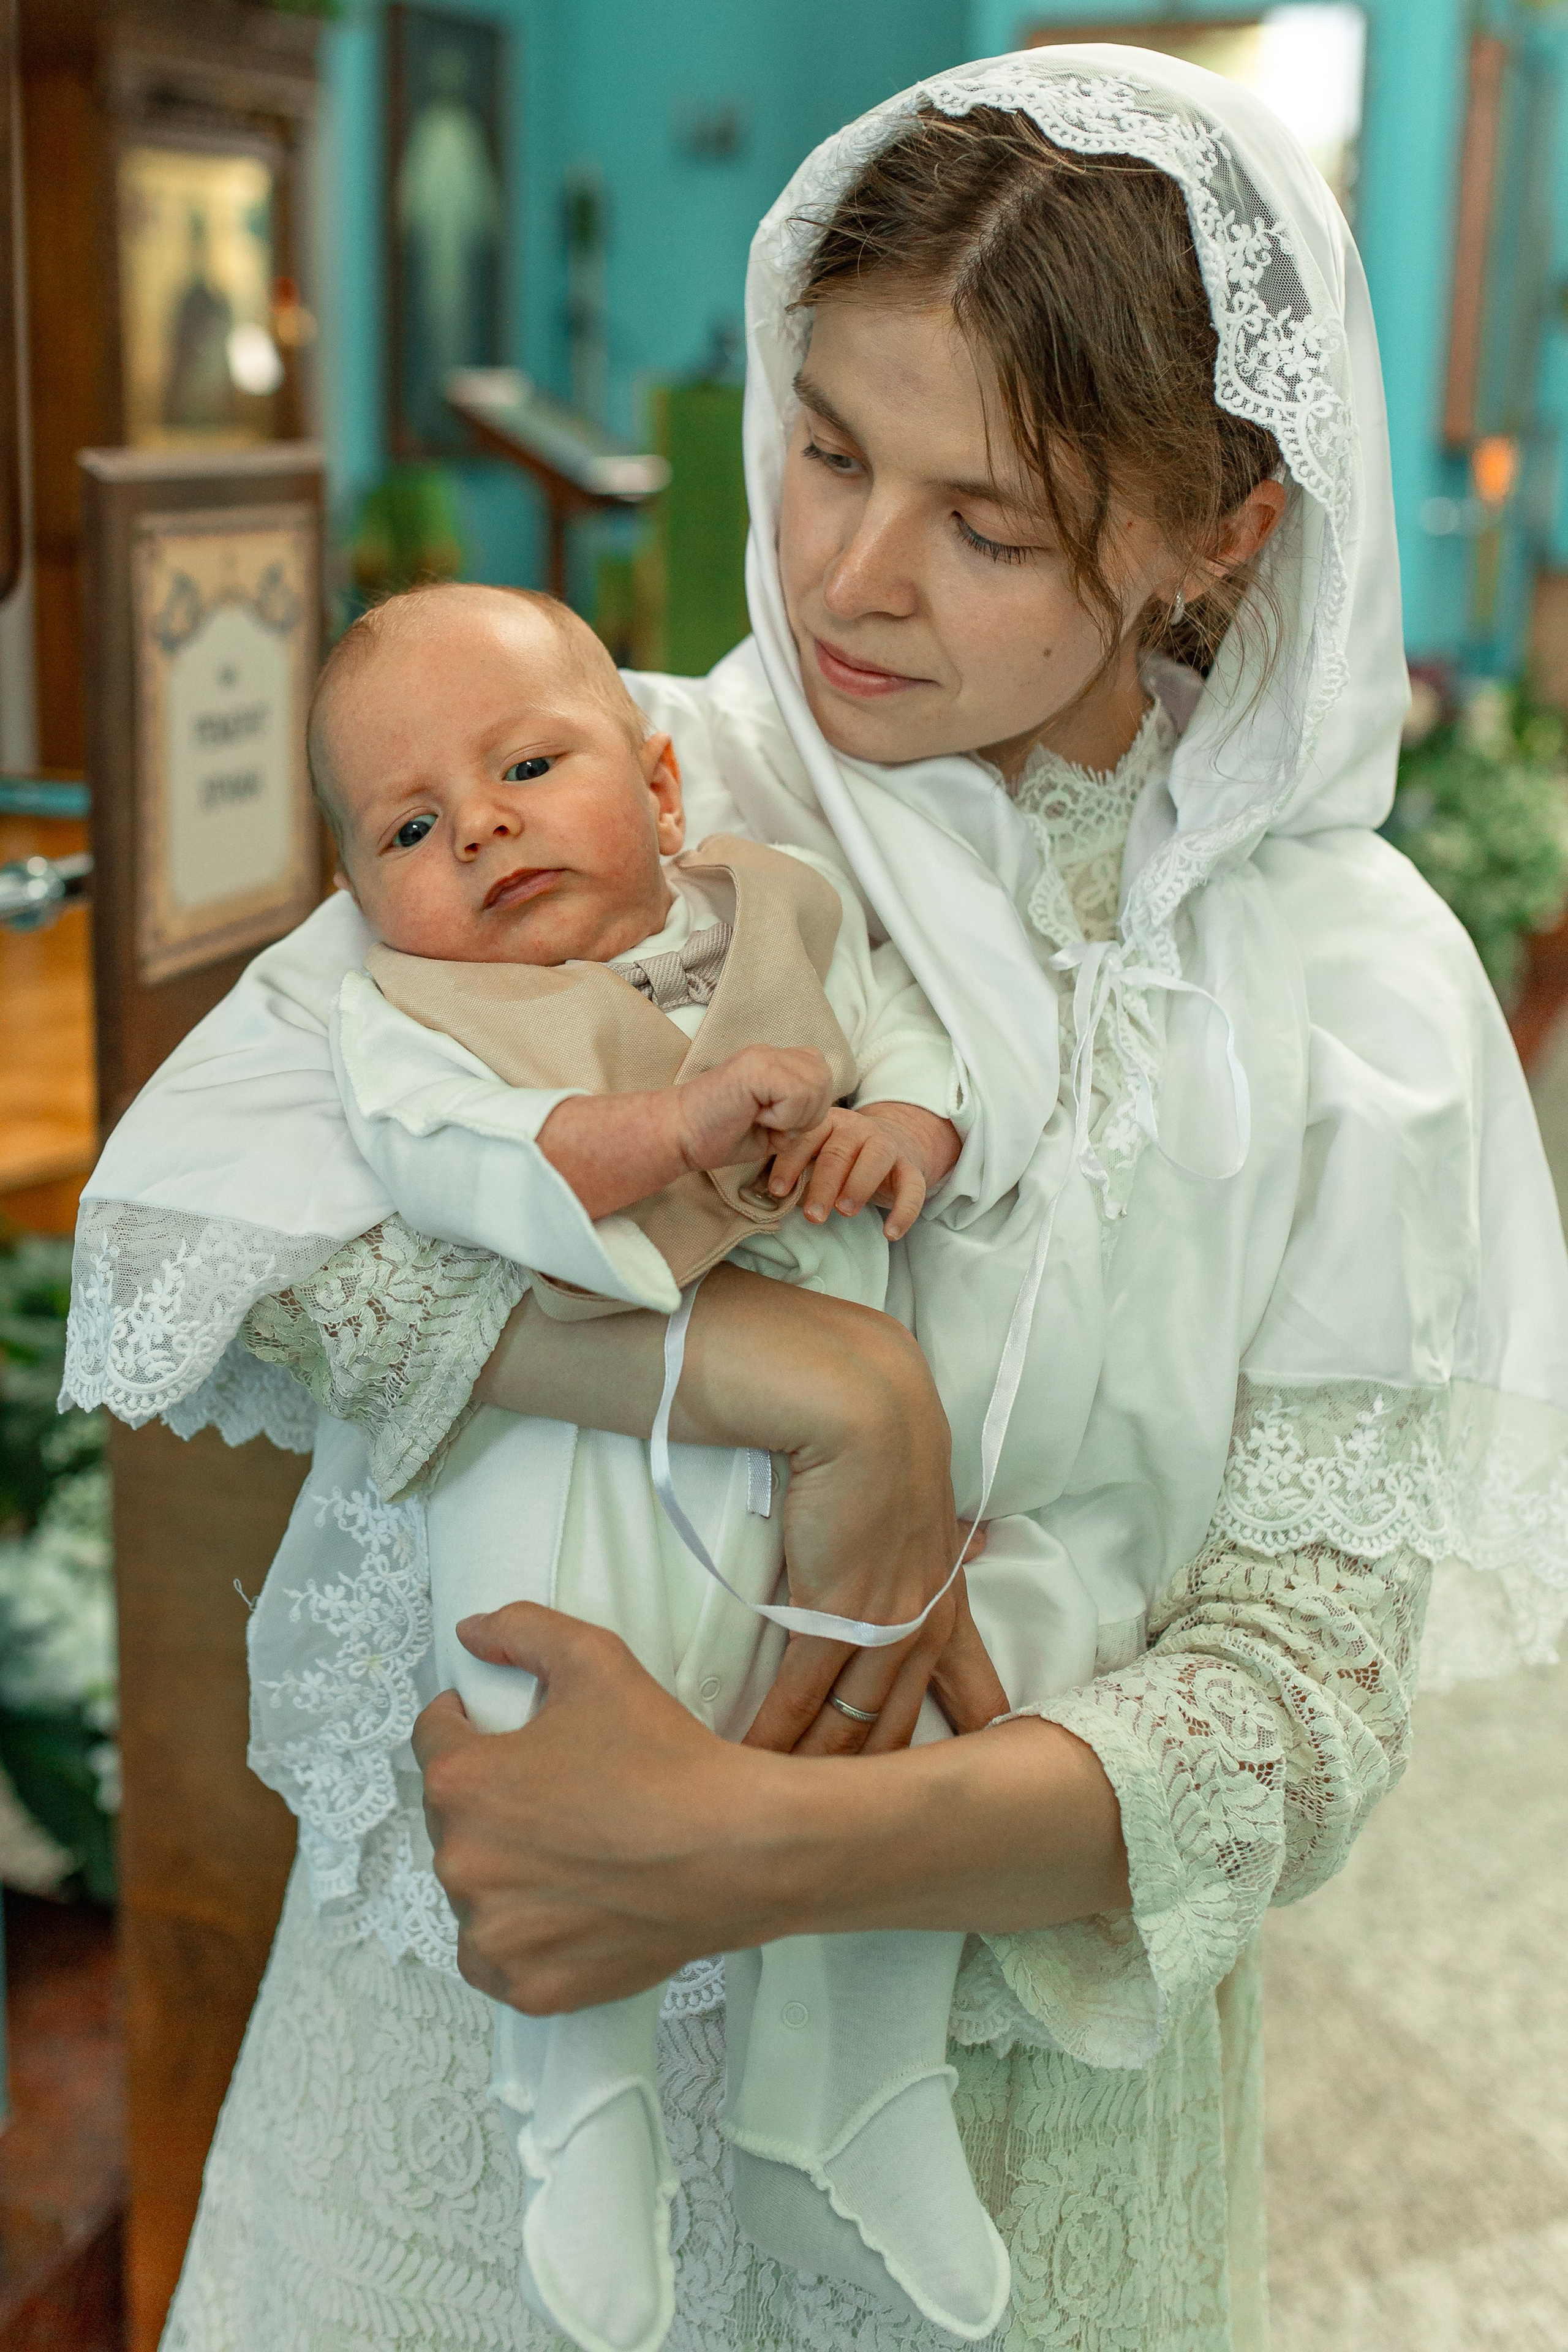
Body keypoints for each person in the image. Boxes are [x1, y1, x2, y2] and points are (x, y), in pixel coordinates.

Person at [62, 47, 1568, 2352]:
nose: (849, 576)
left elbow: (1301, 1705)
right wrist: (822, 1389)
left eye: (989, 521)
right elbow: (230, 1234)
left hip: (1002, 2128)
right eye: (830, 447)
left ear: (1221, 531)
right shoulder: (618, 787)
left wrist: (729, 1854)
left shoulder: (1349, 995)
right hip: (481, 2064)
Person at [301, 576, 1017, 2347]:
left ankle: (848, 2094)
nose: (475, 825)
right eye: (408, 825)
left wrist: (900, 1122)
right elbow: (459, 1173)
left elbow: (904, 1027)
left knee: (901, 1741)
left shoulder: (782, 908)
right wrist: (673, 1127)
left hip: (829, 1510)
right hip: (588, 1465)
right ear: (362, 893)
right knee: (558, 1753)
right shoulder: (412, 1021)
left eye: (530, 762)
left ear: (669, 793)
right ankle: (585, 2108)